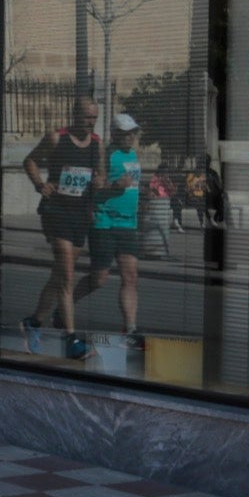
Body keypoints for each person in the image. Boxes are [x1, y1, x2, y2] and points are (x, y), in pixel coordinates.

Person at [21, 95, 103, 360]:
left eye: (94, 118)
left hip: (80, 214)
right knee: (67, 276)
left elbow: (99, 173)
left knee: (59, 275)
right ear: (74, 115)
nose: (91, 123)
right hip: (56, 212)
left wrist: (99, 181)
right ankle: (71, 340)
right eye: (87, 117)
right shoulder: (56, 138)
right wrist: (40, 184)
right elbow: (30, 161)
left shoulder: (96, 145)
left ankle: (33, 321)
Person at [75, 113, 144, 348]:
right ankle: (64, 307)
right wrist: (115, 186)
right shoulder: (105, 155)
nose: (131, 136)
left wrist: (147, 195)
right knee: (99, 279)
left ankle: (131, 328)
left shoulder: (133, 155)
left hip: (128, 224)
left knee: (130, 276)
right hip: (104, 223)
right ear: (115, 134)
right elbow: (93, 186)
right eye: (126, 132)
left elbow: (132, 186)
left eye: (133, 132)